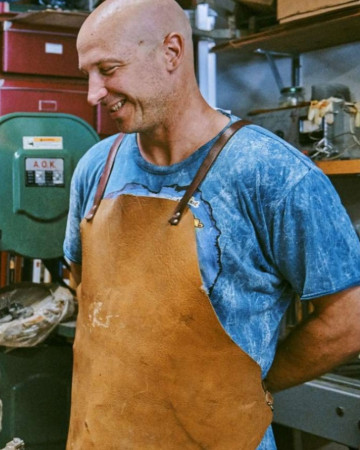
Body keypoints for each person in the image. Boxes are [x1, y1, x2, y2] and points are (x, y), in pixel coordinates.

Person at [64, 0, 360, 448]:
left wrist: (246, 383)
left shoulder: (272, 174)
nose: (93, 93)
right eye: (87, 73)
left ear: (172, 52)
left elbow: (349, 319)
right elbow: (81, 280)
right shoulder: (95, 169)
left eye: (108, 69)